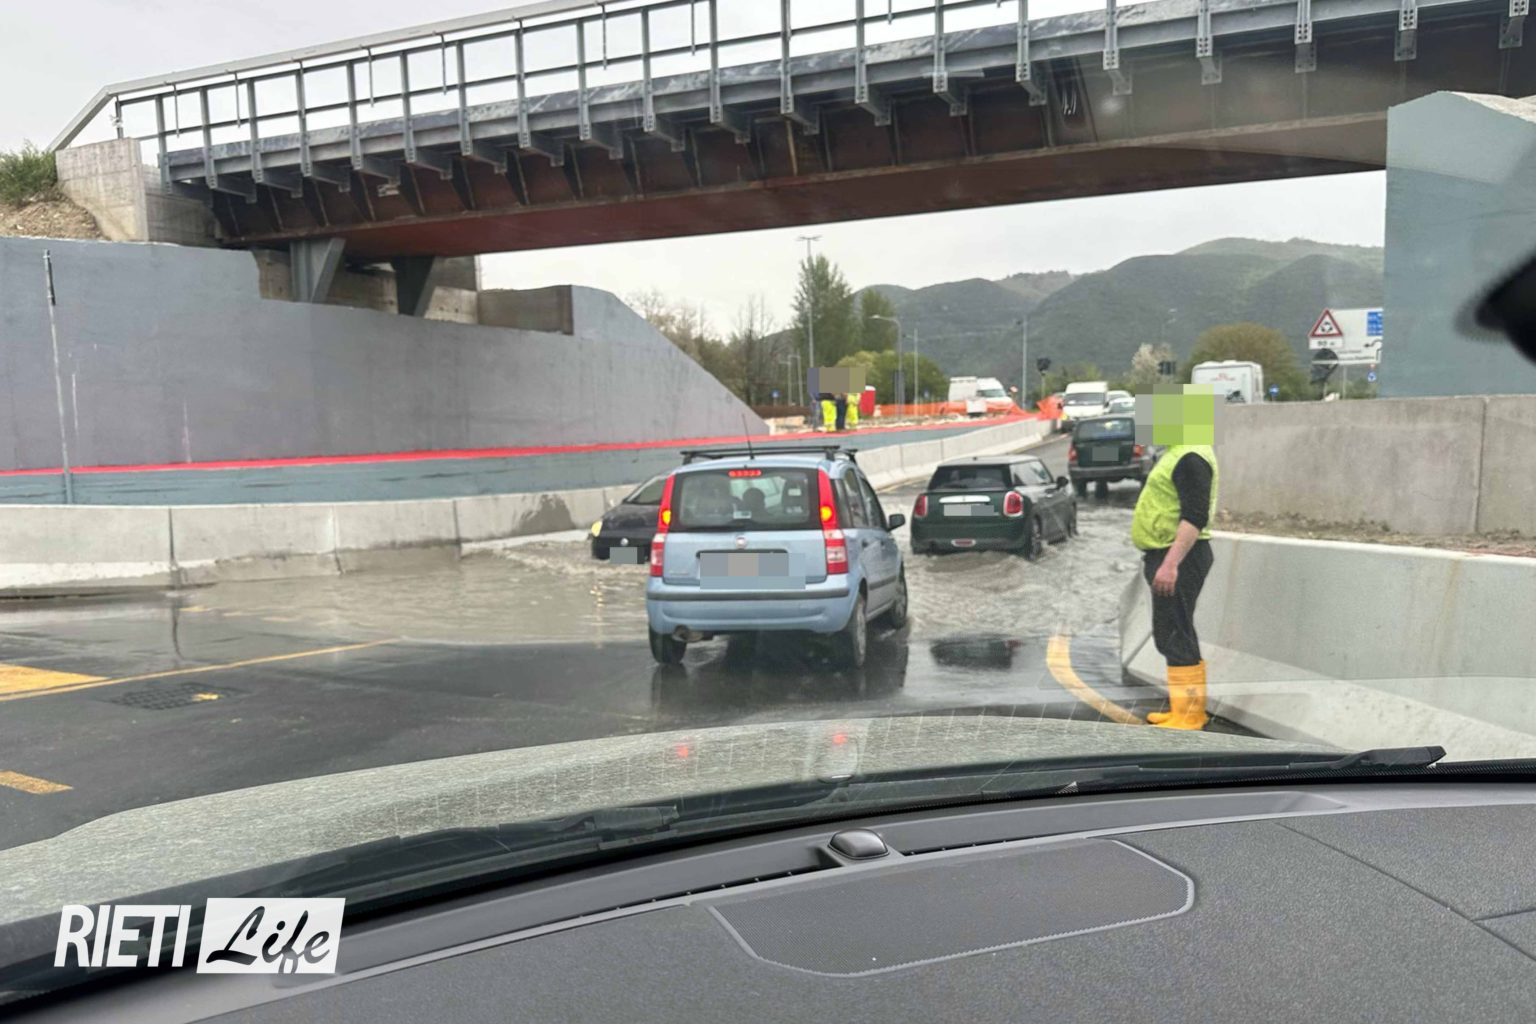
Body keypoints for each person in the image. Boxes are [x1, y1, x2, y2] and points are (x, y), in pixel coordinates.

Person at [1130, 385, 1220, 730]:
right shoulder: (1179, 452)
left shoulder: (1190, 456)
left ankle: (1190, 714)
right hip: (1170, 554)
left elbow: (1194, 516)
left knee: (1176, 631)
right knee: (1170, 630)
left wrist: (1170, 564)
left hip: (1179, 556)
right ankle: (1181, 709)